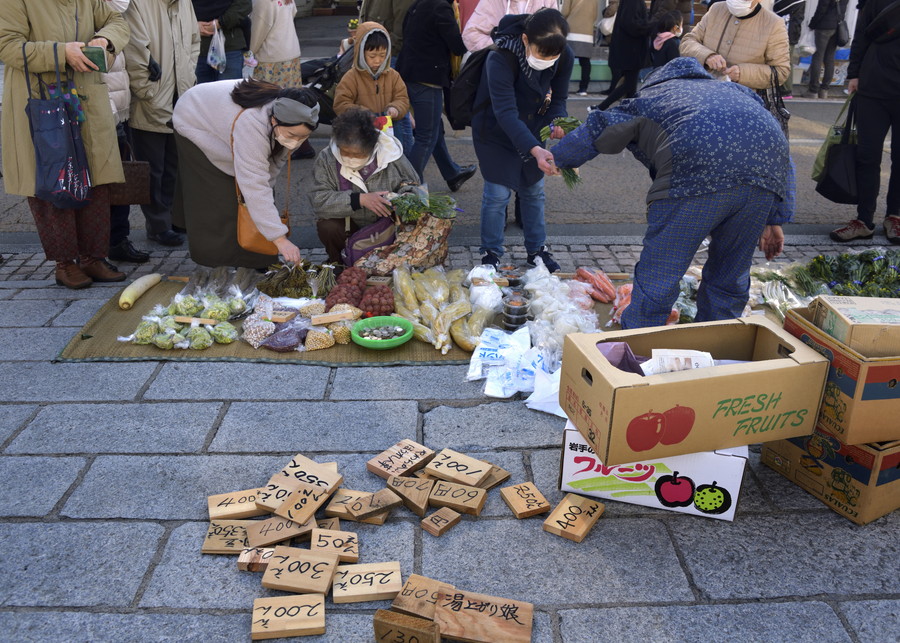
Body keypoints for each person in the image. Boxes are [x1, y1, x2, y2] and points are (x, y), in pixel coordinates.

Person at [552, 58, 793, 328]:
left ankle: (639, 343)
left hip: (694, 179)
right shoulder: (737, 92)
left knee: (660, 273)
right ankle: (718, 343)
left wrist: (558, 157)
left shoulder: (655, 95)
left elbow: (601, 127)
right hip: (763, 182)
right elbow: (781, 149)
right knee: (729, 276)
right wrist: (776, 217)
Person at [0, 0, 129, 289]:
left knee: (96, 178)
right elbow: (7, 45)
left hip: (86, 95)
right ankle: (65, 263)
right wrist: (60, 53)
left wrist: (105, 39)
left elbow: (117, 21)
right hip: (40, 99)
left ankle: (93, 257)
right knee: (54, 181)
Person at [172, 79, 319, 267]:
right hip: (195, 118)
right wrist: (279, 238)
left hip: (227, 120)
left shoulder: (292, 121)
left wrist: (264, 203)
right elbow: (254, 184)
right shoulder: (252, 122)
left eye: (303, 137)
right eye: (292, 136)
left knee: (254, 194)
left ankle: (259, 258)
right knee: (221, 196)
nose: (296, 142)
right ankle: (218, 263)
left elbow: (269, 172)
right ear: (274, 120)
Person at [473, 9, 574, 273]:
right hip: (495, 130)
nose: (548, 61)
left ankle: (537, 251)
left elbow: (559, 99)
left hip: (534, 127)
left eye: (553, 56)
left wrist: (558, 121)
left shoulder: (564, 55)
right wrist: (535, 149)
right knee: (497, 194)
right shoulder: (501, 56)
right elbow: (505, 112)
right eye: (542, 54)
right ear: (526, 39)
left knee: (533, 190)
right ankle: (491, 253)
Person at [123, 0, 200, 248]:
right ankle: (158, 225)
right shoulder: (139, 3)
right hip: (151, 97)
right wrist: (146, 90)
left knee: (174, 165)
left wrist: (189, 74)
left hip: (181, 93)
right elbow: (134, 48)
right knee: (153, 169)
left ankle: (172, 218)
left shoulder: (184, 3)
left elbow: (193, 41)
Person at [310, 107, 420, 263]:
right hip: (348, 226)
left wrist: (403, 198)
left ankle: (393, 261)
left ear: (372, 147)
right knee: (328, 226)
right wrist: (358, 199)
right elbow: (318, 199)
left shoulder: (391, 153)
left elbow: (414, 185)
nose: (350, 158)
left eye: (358, 154)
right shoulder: (326, 158)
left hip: (387, 226)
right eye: (345, 152)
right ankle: (339, 263)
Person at [830, 0, 900, 243]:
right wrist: (854, 74)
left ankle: (895, 216)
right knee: (867, 157)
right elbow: (861, 34)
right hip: (873, 85)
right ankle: (864, 219)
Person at [396, 0, 478, 190]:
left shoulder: (418, 4)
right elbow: (457, 46)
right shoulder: (441, 8)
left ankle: (452, 173)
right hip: (427, 79)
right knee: (427, 136)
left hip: (408, 74)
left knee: (434, 129)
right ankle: (407, 185)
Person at [103, 0, 151, 264]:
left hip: (119, 102)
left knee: (121, 178)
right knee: (106, 182)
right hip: (103, 106)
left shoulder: (114, 13)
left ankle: (118, 240)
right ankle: (103, 244)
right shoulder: (94, 9)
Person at [333, 23, 411, 152]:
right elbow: (341, 104)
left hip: (390, 130)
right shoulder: (351, 77)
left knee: (391, 157)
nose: (378, 61)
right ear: (361, 52)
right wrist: (363, 114)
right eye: (372, 56)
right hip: (361, 131)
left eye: (382, 55)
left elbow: (402, 98)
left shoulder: (393, 75)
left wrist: (395, 108)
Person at [680, 0, 790, 90]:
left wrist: (743, 73)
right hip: (703, 91)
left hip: (743, 101)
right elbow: (688, 41)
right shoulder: (716, 9)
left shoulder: (773, 23)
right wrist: (707, 56)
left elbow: (781, 72)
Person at [358, 0, 416, 157]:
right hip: (375, 50)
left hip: (387, 53)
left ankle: (405, 161)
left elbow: (402, 20)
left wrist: (390, 50)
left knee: (398, 115)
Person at [590, 0, 649, 110]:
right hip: (632, 50)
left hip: (628, 49)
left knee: (631, 85)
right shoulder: (633, 2)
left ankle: (629, 110)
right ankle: (601, 107)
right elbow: (632, 25)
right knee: (629, 84)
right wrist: (650, 26)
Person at [462, 0, 559, 51]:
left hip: (537, 67)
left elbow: (556, 33)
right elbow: (471, 33)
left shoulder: (547, 1)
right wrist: (499, 48)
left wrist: (536, 51)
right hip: (501, 68)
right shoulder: (493, 2)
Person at [192, 0, 252, 83]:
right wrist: (193, 25)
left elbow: (244, 4)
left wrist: (220, 23)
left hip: (229, 44)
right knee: (202, 90)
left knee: (229, 89)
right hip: (198, 47)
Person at [804, 0, 850, 98]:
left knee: (818, 57)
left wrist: (812, 24)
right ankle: (824, 90)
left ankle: (813, 90)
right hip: (837, 27)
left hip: (824, 26)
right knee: (829, 58)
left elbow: (822, 8)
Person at [561, 0, 598, 96]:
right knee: (585, 62)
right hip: (587, 32)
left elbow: (564, 12)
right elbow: (595, 15)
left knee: (565, 60)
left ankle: (562, 87)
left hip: (571, 30)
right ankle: (583, 88)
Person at [773, 0, 805, 97]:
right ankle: (784, 89)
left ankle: (786, 90)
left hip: (788, 34)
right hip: (791, 33)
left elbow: (777, 8)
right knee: (786, 61)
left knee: (785, 61)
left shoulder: (794, 2)